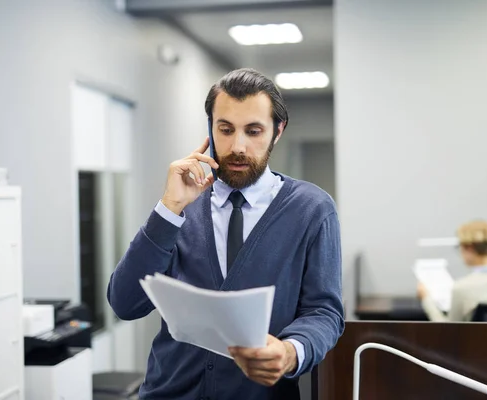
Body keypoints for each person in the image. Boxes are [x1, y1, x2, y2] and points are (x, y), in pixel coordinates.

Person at [107, 68, 344, 400]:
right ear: (210, 129)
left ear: (278, 131)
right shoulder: (182, 202)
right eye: (226, 129)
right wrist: (169, 209)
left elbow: (324, 312)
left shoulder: (312, 209)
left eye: (254, 131)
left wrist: (290, 351)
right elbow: (125, 303)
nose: (238, 146)